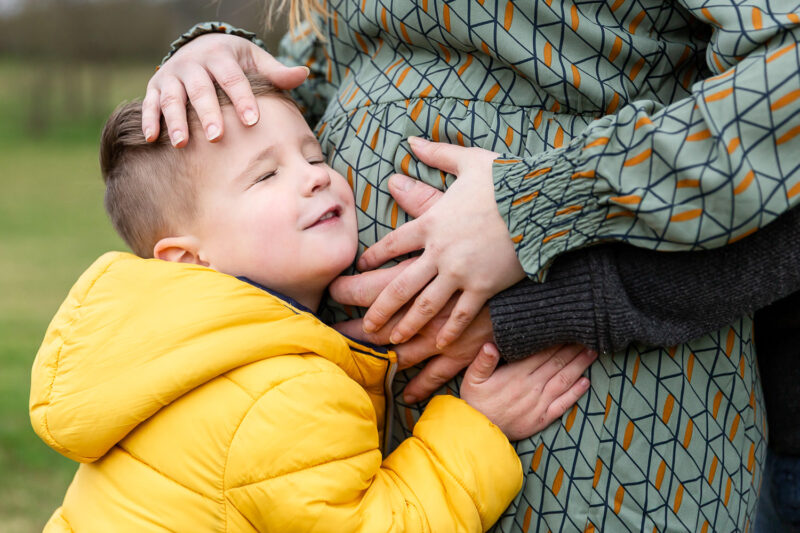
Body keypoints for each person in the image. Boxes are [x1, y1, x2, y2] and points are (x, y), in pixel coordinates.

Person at [144, 1, 800, 530]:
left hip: (586, 390)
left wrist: (536, 202)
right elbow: (337, 64)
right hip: (369, 396)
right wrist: (220, 63)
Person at [29, 78, 596, 532]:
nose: (315, 179)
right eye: (266, 175)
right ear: (187, 259)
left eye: (315, 156)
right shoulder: (282, 393)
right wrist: (477, 428)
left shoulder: (176, 352)